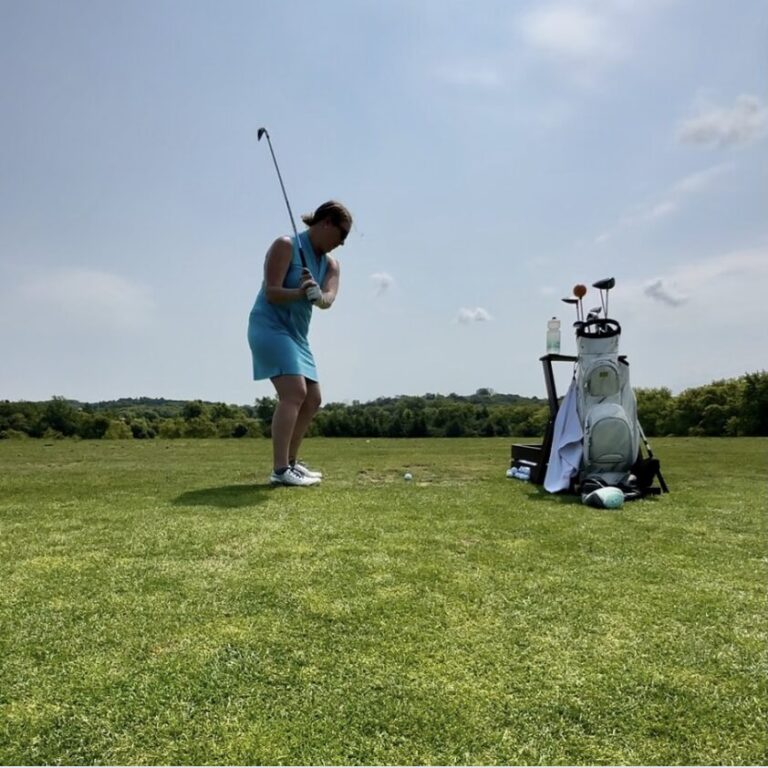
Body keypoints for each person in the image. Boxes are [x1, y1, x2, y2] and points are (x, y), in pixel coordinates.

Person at [248, 200, 352, 486]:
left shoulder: (331, 264)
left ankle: (292, 463)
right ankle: (280, 470)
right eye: (341, 234)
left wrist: (318, 296)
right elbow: (271, 293)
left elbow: (329, 299)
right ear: (326, 222)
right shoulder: (285, 245)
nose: (342, 243)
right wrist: (299, 291)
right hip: (269, 327)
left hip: (297, 336)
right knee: (294, 392)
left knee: (313, 399)